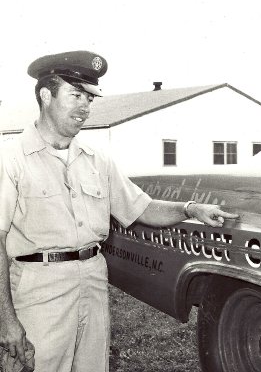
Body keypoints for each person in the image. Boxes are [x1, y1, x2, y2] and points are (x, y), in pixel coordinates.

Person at [0, 50, 239, 372]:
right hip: (37, 288)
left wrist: (192, 209)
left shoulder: (97, 159)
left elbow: (143, 208)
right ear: (45, 95)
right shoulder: (10, 158)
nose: (84, 106)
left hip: (93, 281)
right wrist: (7, 322)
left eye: (89, 98)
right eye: (75, 95)